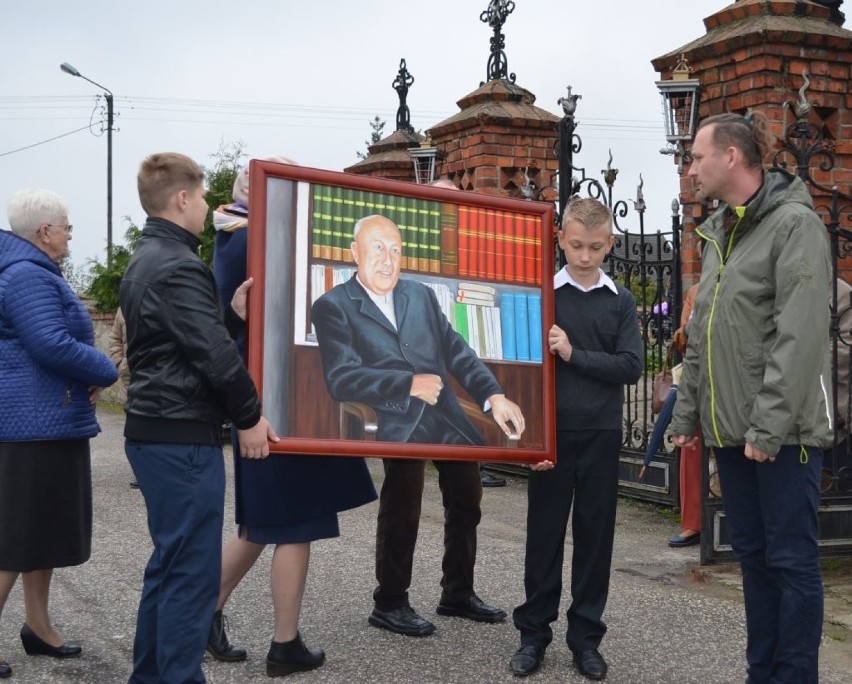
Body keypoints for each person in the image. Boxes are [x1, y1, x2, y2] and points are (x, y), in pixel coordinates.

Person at [670, 112, 832, 684]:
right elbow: (704, 334)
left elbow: (801, 335)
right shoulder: (720, 232)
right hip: (730, 433)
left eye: (696, 156)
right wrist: (687, 412)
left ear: (732, 158)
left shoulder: (794, 226)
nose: (689, 168)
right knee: (756, 563)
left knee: (791, 564)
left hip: (782, 437)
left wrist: (767, 428)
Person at [311, 214, 525, 637]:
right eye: (377, 248)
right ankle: (390, 602)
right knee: (403, 502)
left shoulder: (421, 296)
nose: (388, 260)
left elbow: (458, 353)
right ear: (354, 253)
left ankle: (457, 593)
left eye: (395, 249)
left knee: (468, 494)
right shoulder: (332, 306)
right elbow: (341, 379)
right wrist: (406, 385)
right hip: (395, 416)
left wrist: (493, 395)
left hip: (446, 414)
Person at [208, 159, 377, 678]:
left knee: (264, 524)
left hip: (271, 397)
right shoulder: (252, 240)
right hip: (277, 400)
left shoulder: (236, 236)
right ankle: (283, 644)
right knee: (291, 523)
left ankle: (200, 617)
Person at [120, 152, 278, 684]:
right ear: (182, 199)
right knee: (190, 575)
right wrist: (251, 416)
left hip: (154, 431)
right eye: (202, 193)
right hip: (181, 438)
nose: (208, 202)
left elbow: (179, 342)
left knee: (168, 569)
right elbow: (214, 357)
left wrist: (228, 314)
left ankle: (150, 676)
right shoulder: (179, 266)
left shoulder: (149, 257)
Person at [510, 197, 643, 681]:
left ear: (610, 244)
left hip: (601, 435)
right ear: (559, 239)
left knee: (594, 539)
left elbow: (631, 366)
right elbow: (521, 369)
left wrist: (573, 353)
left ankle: (586, 638)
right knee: (543, 537)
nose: (584, 256)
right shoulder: (544, 293)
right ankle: (533, 636)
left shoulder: (620, 301)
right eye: (575, 245)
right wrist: (529, 440)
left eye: (594, 247)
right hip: (553, 436)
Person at [0, 189, 118, 680]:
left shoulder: (34, 271)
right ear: (43, 231)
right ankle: (33, 624)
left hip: (48, 420)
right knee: (13, 538)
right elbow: (50, 342)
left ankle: (38, 626)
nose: (71, 231)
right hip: (32, 427)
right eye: (66, 224)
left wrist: (83, 374)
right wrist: (103, 368)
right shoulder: (27, 275)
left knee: (40, 533)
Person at [428, 179, 508, 489]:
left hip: (466, 331)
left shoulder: (470, 241)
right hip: (420, 360)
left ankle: (477, 464)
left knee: (464, 493)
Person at [667, 283, 702, 548]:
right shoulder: (696, 291)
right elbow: (682, 340)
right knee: (692, 450)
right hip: (700, 379)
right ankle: (693, 523)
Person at [108, 308, 138, 489]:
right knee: (134, 428)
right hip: (130, 378)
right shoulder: (124, 307)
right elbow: (115, 339)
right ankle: (140, 473)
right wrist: (120, 364)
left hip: (158, 375)